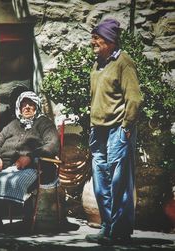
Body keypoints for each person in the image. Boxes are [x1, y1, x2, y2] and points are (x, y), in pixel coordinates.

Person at [86, 19, 142, 245]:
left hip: (118, 129)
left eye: (97, 38)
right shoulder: (98, 63)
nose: (93, 42)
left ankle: (121, 231)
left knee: (119, 182)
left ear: (109, 40)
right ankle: (107, 228)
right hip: (97, 131)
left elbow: (134, 99)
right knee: (100, 183)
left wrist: (126, 127)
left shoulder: (123, 62)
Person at [0, 91, 60, 233]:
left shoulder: (44, 123)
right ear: (19, 107)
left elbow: (52, 144)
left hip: (34, 167)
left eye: (31, 104)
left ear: (37, 106)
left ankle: (26, 220)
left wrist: (31, 157)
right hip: (5, 165)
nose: (27, 107)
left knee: (17, 181)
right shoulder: (12, 125)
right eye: (23, 104)